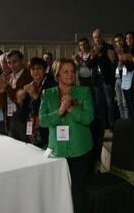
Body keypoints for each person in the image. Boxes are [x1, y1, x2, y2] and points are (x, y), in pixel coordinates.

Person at [39, 58, 94, 213]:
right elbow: (43, 121)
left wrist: (71, 109)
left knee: (76, 189)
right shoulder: (47, 94)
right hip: (57, 150)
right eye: (65, 71)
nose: (70, 75)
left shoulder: (84, 92)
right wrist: (60, 111)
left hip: (79, 149)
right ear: (57, 75)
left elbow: (88, 118)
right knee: (58, 189)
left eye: (72, 71)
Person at [16, 57, 57, 148]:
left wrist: (34, 95)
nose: (36, 71)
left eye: (39, 68)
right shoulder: (31, 85)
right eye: (33, 69)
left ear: (45, 69)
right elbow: (22, 115)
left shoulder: (51, 84)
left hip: (46, 131)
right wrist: (20, 101)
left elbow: (50, 108)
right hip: (33, 131)